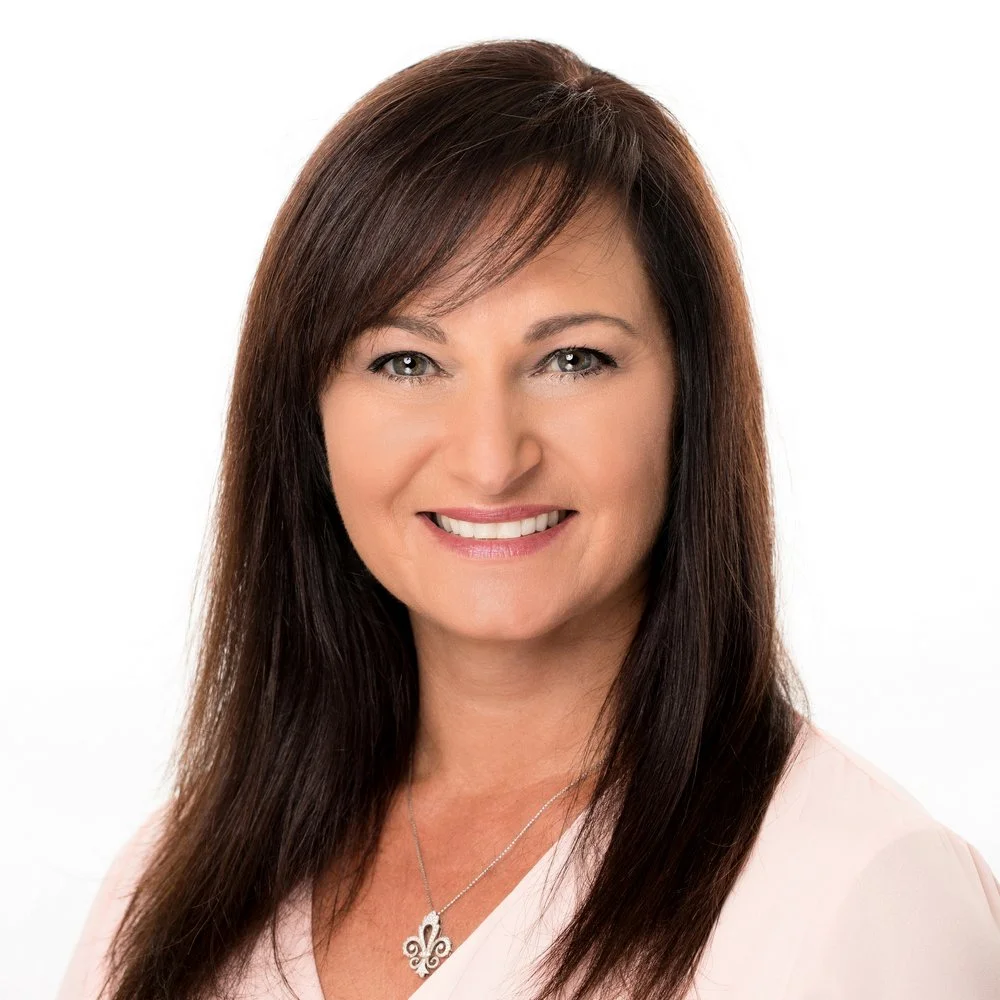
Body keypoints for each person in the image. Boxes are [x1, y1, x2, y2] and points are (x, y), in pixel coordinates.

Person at [55, 38, 1000, 1000]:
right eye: (408, 363)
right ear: (307, 415)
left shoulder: (863, 894)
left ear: (689, 397)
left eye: (572, 360)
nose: (491, 456)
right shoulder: (171, 888)